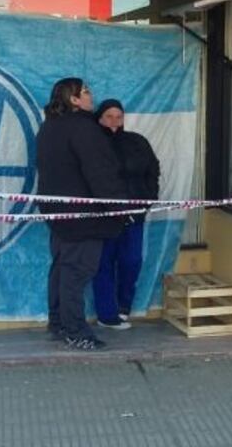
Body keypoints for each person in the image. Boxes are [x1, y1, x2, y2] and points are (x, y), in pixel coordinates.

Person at [36, 78, 128, 351]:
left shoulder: (48, 127)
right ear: (73, 100)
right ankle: (76, 331)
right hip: (84, 215)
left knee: (62, 269)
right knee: (76, 272)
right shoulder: (84, 129)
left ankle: (59, 323)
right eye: (86, 92)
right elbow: (100, 173)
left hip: (57, 213)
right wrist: (120, 209)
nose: (91, 96)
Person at [92, 99, 161, 330]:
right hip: (105, 218)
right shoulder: (93, 143)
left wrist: (148, 200)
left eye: (118, 116)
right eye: (108, 116)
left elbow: (153, 170)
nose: (114, 121)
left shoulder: (137, 141)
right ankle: (106, 313)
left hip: (135, 216)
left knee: (131, 261)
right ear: (99, 118)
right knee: (103, 264)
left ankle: (123, 306)